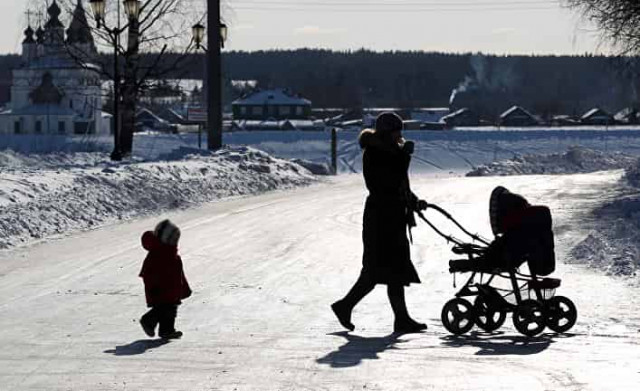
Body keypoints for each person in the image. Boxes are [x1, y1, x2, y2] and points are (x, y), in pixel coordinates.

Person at [331, 112, 428, 334]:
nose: (399, 135)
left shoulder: (391, 152)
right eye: (396, 131)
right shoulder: (375, 153)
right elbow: (388, 183)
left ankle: (401, 318)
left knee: (395, 270)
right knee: (376, 271)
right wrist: (405, 158)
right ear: (386, 132)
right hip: (381, 219)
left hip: (391, 216)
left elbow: (400, 185)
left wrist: (414, 201)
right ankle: (345, 305)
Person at [139, 219, 192, 339]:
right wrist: (153, 287)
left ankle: (167, 331)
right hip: (160, 290)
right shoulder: (158, 255)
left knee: (171, 309)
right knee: (164, 308)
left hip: (172, 290)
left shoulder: (173, 255)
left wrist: (185, 288)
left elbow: (180, 274)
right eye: (173, 239)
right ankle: (148, 320)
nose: (175, 242)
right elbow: (148, 273)